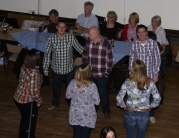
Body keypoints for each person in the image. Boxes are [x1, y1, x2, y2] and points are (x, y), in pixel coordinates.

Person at [43, 20, 84, 111]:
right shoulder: (51, 38)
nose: (61, 29)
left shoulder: (71, 37)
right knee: (56, 87)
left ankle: (72, 105)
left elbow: (80, 49)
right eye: (59, 27)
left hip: (68, 68)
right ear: (56, 27)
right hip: (56, 68)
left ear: (66, 28)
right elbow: (47, 54)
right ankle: (55, 103)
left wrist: (90, 53)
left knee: (70, 88)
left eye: (63, 27)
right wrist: (45, 68)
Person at [116, 60, 161, 138]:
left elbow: (119, 98)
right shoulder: (150, 82)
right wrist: (150, 107)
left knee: (130, 135)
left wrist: (123, 106)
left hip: (130, 111)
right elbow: (157, 99)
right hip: (144, 112)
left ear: (132, 69)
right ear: (144, 69)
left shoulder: (128, 82)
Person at [129, 24, 161, 124]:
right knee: (138, 94)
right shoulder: (134, 44)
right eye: (139, 32)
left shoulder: (153, 43)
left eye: (143, 32)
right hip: (138, 75)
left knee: (150, 96)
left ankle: (150, 114)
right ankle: (139, 111)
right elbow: (131, 59)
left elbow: (157, 60)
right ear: (137, 34)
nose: (142, 34)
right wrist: (131, 73)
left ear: (146, 33)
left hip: (150, 75)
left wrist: (156, 74)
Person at [82, 26, 113, 119]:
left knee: (103, 94)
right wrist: (86, 72)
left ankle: (106, 110)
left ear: (96, 34)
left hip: (101, 75)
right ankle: (92, 110)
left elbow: (110, 60)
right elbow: (84, 57)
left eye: (90, 34)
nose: (88, 35)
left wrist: (106, 74)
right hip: (90, 75)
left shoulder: (106, 44)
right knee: (90, 94)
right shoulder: (88, 43)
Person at [66, 63, 100, 138]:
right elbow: (97, 102)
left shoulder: (72, 83)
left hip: (75, 114)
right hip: (88, 115)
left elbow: (68, 96)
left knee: (77, 135)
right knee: (85, 135)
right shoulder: (92, 85)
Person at [14, 49, 43, 138]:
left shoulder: (24, 66)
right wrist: (39, 100)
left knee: (25, 120)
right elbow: (34, 92)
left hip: (18, 96)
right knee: (30, 124)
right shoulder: (35, 73)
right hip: (27, 101)